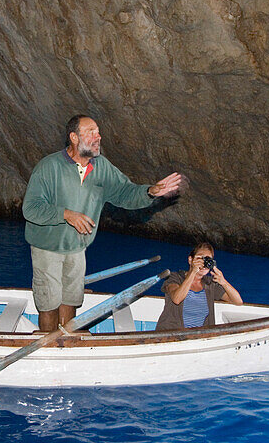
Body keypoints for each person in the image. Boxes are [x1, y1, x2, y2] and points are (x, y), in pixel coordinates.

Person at [22, 114, 182, 332]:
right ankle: (48, 346)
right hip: (47, 248)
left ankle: (68, 342)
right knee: (49, 304)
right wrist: (67, 214)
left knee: (71, 300)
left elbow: (125, 193)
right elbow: (31, 208)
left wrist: (150, 191)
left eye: (98, 132)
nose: (98, 136)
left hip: (77, 248)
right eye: (91, 132)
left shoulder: (102, 167)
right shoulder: (49, 167)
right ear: (74, 137)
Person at [155, 242, 244, 330]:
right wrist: (193, 271)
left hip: (197, 338)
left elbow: (238, 301)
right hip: (171, 335)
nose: (203, 262)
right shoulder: (175, 277)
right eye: (200, 258)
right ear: (190, 260)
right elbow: (177, 299)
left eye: (207, 260)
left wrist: (224, 282)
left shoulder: (209, 284)